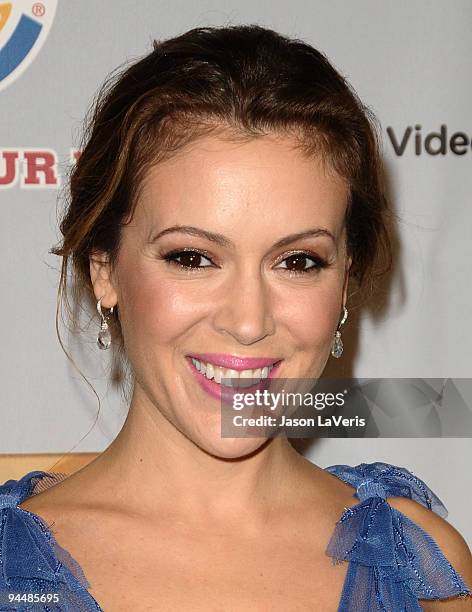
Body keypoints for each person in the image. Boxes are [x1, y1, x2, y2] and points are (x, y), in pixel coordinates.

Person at [1, 24, 471, 611]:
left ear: (346, 280)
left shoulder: (419, 567)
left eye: (298, 261)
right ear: (106, 270)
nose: (249, 322)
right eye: (193, 257)